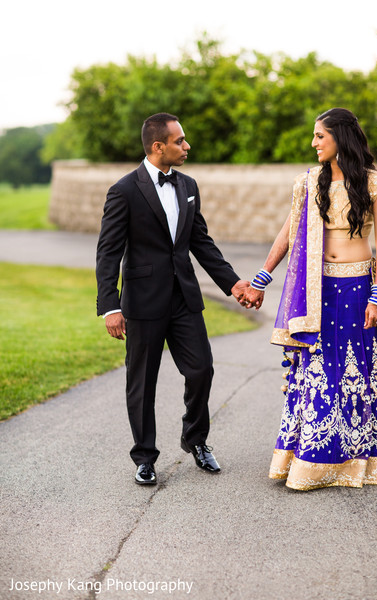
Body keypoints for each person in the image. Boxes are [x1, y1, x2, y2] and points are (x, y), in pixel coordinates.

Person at [242, 107, 377, 491]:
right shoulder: (309, 183)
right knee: (319, 370)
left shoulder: (374, 184)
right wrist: (261, 280)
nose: (313, 143)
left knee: (359, 371)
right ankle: (317, 457)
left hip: (359, 288)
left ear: (339, 138)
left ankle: (366, 458)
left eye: (319, 136)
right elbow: (287, 234)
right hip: (319, 292)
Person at [96, 112, 249, 485]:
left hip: (184, 298)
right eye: (180, 141)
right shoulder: (124, 191)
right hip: (142, 303)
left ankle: (196, 440)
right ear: (157, 146)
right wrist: (111, 306)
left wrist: (233, 284)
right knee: (142, 383)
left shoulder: (189, 185)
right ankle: (145, 457)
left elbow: (201, 243)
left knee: (201, 370)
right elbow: (108, 252)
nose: (187, 146)